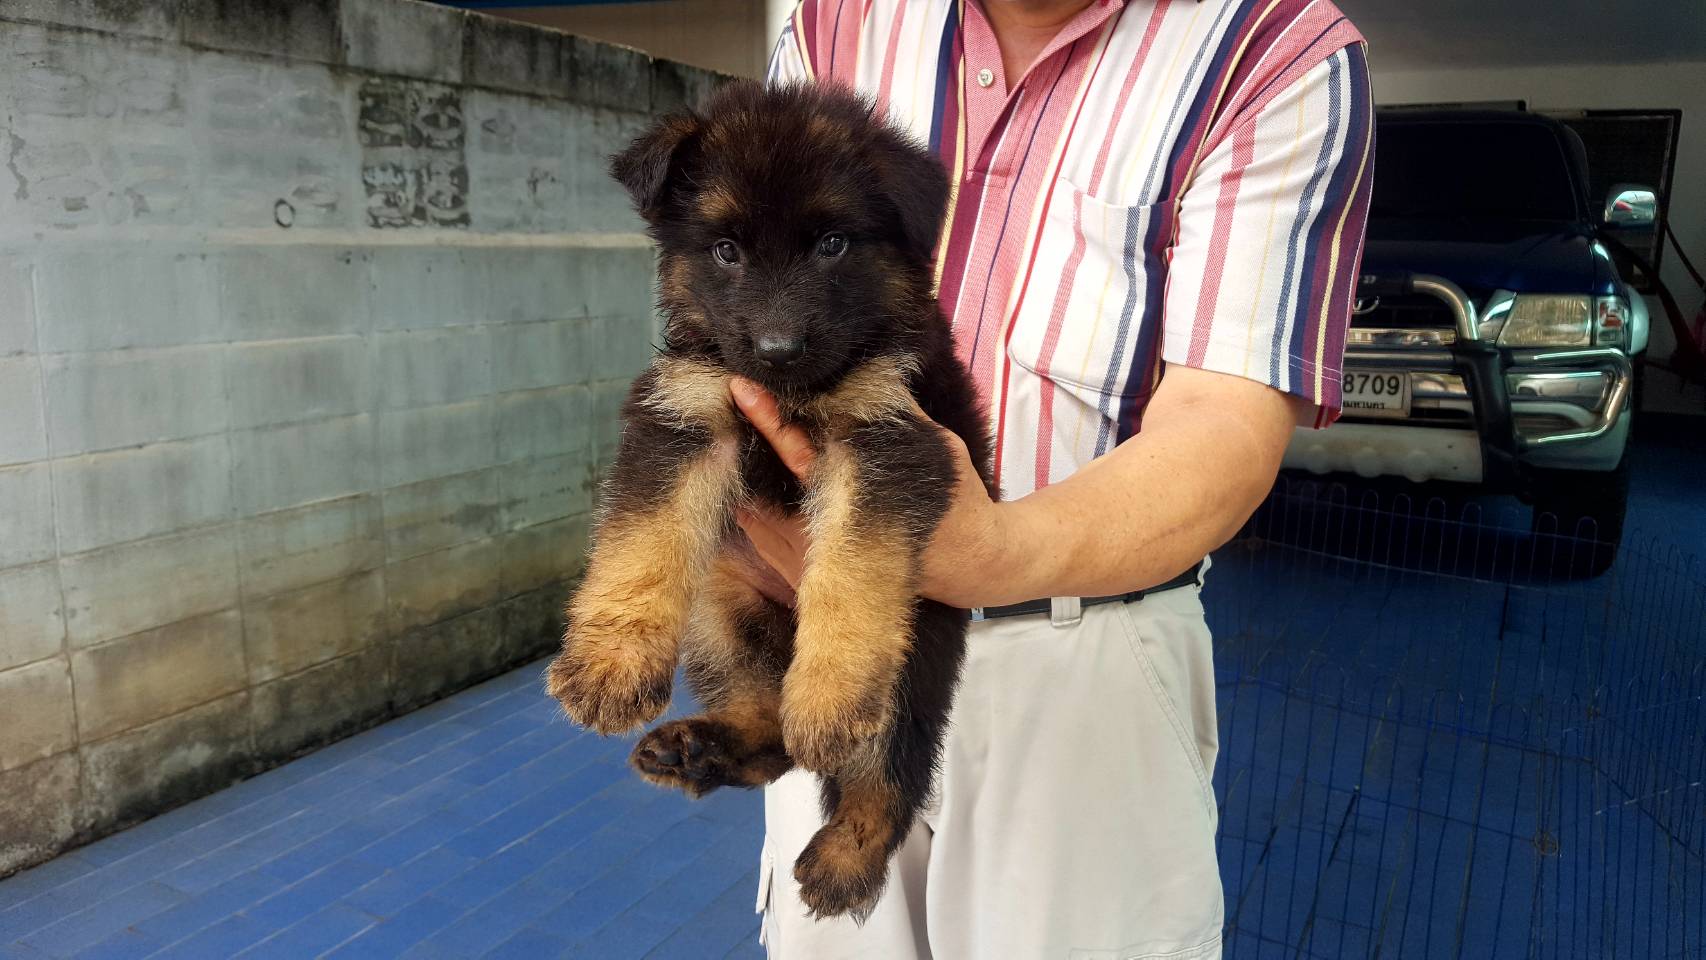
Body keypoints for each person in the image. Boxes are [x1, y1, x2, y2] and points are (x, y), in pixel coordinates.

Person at [730, 0, 1373, 955]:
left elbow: (1226, 423)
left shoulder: (1272, 49)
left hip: (1078, 657)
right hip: (827, 628)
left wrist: (992, 551)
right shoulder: (836, 20)